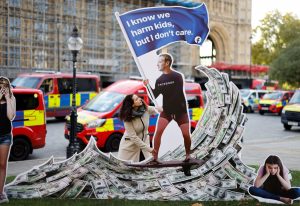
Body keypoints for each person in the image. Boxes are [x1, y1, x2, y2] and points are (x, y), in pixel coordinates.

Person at [143, 53, 191, 162]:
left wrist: (165, 107)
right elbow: (154, 95)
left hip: (180, 111)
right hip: (167, 111)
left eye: (160, 62)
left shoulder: (177, 76)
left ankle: (188, 155)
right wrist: (147, 86)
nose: (157, 64)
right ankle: (155, 157)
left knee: (186, 134)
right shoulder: (160, 80)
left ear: (167, 63)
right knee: (158, 132)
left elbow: (176, 94)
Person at [117, 94, 157, 162]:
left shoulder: (146, 109)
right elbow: (133, 137)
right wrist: (149, 149)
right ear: (132, 105)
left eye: (138, 97)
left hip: (144, 146)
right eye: (136, 99)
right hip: (129, 147)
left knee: (148, 168)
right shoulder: (127, 117)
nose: (140, 99)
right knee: (127, 170)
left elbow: (159, 110)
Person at [0, 77, 16, 204]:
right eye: (0, 86)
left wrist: (7, 99)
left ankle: (0, 193)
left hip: (5, 136)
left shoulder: (11, 98)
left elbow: (10, 116)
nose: (2, 89)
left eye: (4, 86)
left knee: (2, 165)